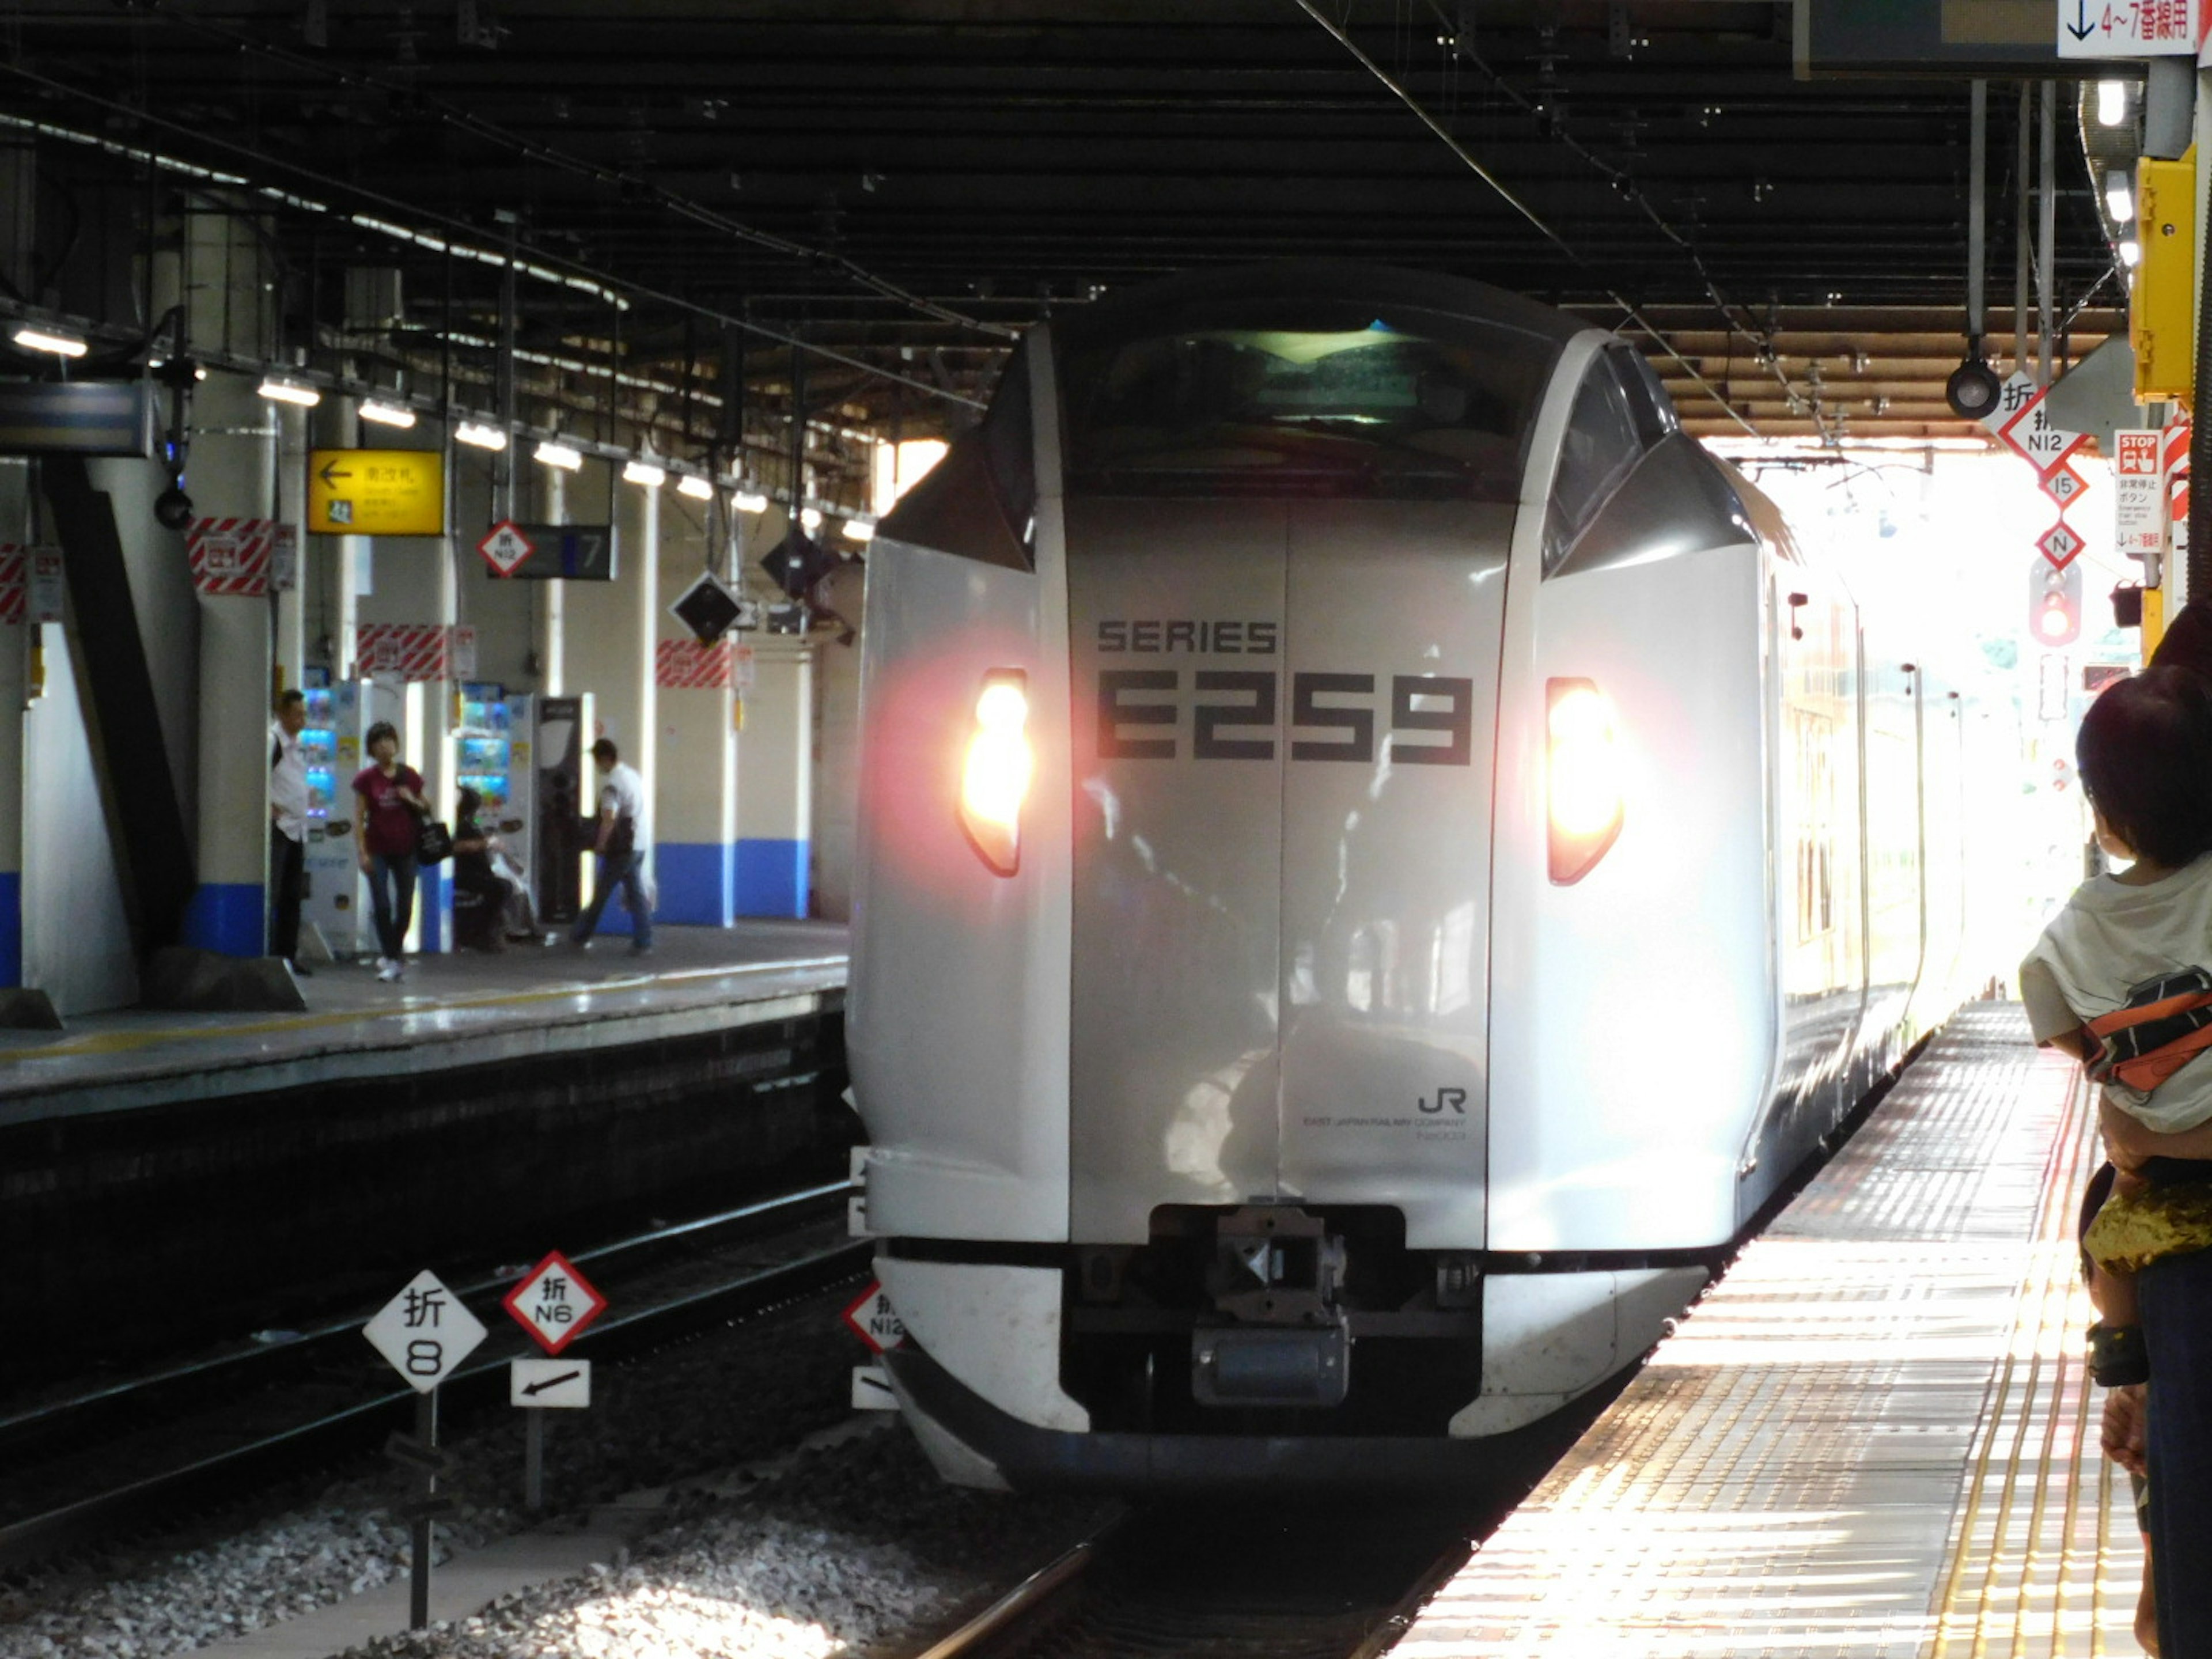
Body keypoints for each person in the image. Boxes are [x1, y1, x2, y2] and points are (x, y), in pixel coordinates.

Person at [2018, 665, 2212, 1658]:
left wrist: (2147, 1127)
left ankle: (2128, 1393)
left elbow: (2074, 1045)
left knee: (2111, 1216)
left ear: (2103, 811)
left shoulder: (2061, 948)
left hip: (2160, 1219)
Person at [352, 720, 426, 983]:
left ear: (396, 744)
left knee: (405, 905)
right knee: (382, 905)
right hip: (378, 849)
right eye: (379, 742)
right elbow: (359, 818)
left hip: (407, 849)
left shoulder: (410, 776)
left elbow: (427, 808)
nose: (385, 746)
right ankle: (393, 958)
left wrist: (411, 799)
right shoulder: (366, 779)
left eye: (389, 740)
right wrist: (362, 852)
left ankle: (392, 954)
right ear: (371, 749)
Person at [569, 737, 653, 956]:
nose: (597, 767)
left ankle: (581, 934)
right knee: (636, 894)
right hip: (639, 842)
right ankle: (644, 941)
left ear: (605, 759)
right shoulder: (632, 776)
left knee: (601, 893)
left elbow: (609, 818)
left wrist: (600, 843)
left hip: (621, 847)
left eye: (597, 762)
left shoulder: (612, 785)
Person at [450, 786, 541, 951]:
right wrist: (486, 843)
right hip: (463, 873)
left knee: (508, 885)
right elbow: (458, 847)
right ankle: (484, 934)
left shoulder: (468, 825)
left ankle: (503, 930)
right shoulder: (457, 825)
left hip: (477, 872)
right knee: (501, 887)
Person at [268, 690, 311, 976]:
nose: (302, 720)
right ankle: (272, 954)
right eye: (297, 714)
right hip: (280, 828)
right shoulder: (273, 742)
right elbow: (259, 776)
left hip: (299, 829)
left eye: (304, 714)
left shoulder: (296, 745)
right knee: (277, 891)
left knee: (293, 895)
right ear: (282, 713)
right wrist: (269, 806)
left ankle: (288, 955)